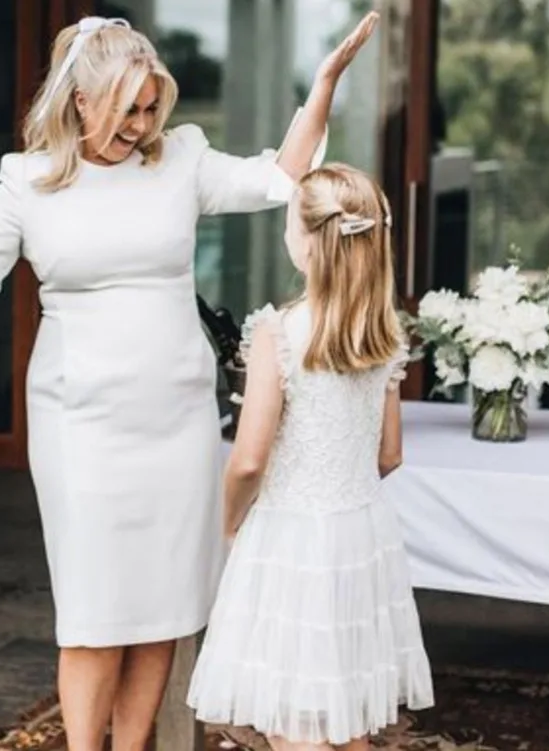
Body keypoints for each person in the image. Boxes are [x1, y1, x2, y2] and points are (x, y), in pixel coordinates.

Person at [0, 12, 380, 751]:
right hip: (81, 426)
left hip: (177, 422)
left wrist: (322, 83)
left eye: (149, 105)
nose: (141, 123)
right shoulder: (24, 183)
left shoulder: (181, 159)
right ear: (80, 100)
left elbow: (279, 177)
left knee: (164, 608)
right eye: (126, 107)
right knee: (94, 615)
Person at [187, 164, 434, 750]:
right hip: (361, 533)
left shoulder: (280, 332)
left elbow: (249, 459)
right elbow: (390, 453)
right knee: (344, 720)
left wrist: (226, 522)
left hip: (292, 539)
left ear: (308, 241)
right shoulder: (383, 333)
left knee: (292, 722)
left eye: (289, 221)